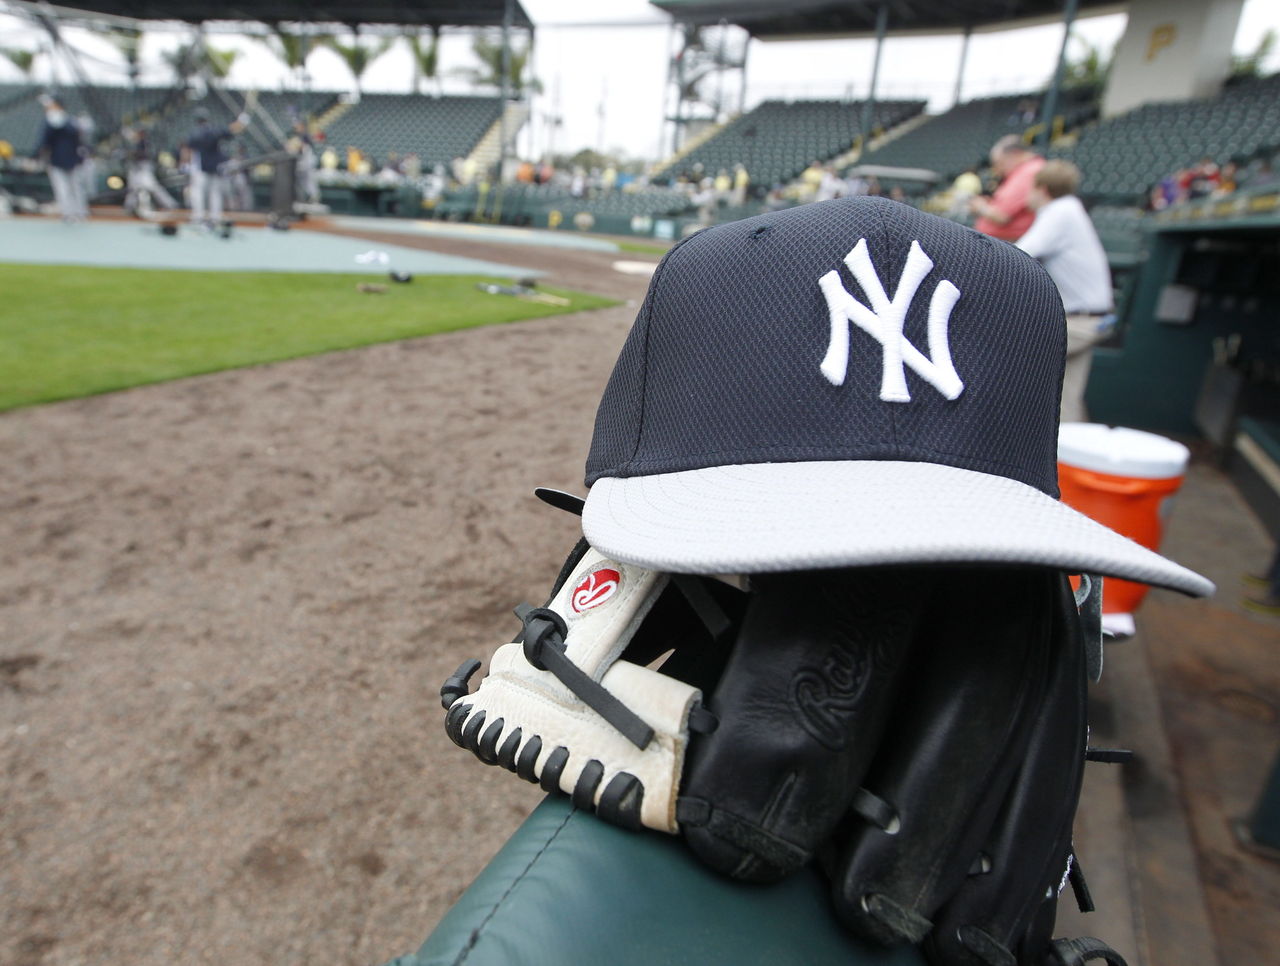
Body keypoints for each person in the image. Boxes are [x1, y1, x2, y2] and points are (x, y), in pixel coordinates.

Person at [1015, 160, 1114, 423]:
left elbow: (1018, 256)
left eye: (1030, 188)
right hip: (1090, 318)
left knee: (1008, 349)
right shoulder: (1070, 209)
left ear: (1043, 189)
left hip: (1080, 321)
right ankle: (1075, 455)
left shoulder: (1059, 211)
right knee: (1068, 399)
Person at [970, 135, 1045, 241]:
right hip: (1000, 242)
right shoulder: (1021, 171)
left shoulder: (1029, 171)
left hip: (1009, 245)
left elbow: (1002, 216)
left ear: (1014, 154)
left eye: (1000, 163)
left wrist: (980, 206)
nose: (998, 169)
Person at [181, 107, 247, 227]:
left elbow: (187, 149)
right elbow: (232, 129)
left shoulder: (195, 132)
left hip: (202, 168)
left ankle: (199, 217)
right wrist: (242, 122)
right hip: (214, 168)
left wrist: (184, 164)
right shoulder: (212, 130)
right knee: (214, 194)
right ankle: (214, 217)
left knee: (199, 193)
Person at [35, 95, 87, 222]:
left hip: (67, 159)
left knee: (71, 187)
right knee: (67, 188)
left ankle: (75, 212)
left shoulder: (64, 120)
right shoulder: (68, 120)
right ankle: (73, 212)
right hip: (63, 159)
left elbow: (44, 141)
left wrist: (35, 156)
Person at [122, 125, 177, 215]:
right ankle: (129, 206)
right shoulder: (138, 142)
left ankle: (170, 204)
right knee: (133, 189)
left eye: (141, 132)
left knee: (152, 187)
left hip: (144, 167)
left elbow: (142, 155)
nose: (139, 134)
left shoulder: (144, 142)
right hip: (137, 168)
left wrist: (131, 153)